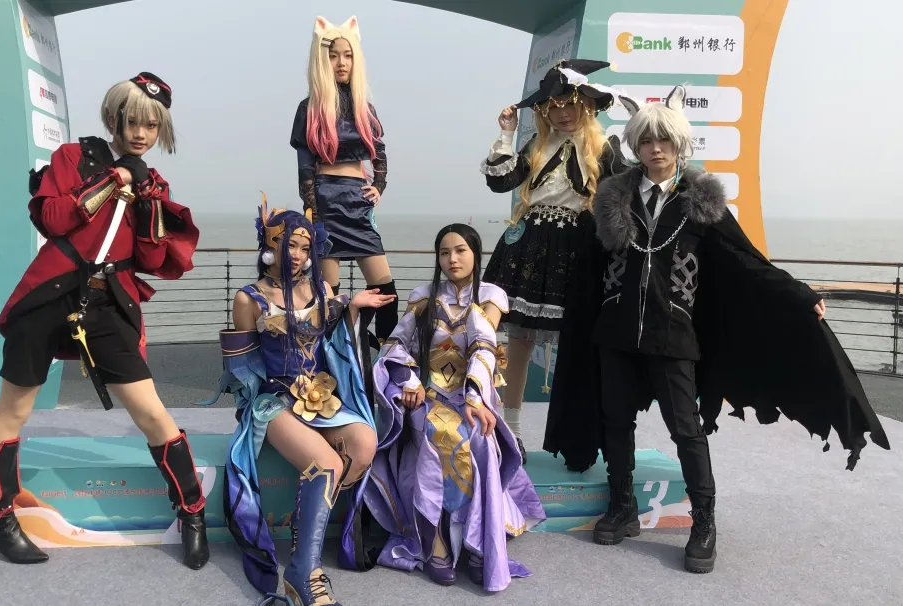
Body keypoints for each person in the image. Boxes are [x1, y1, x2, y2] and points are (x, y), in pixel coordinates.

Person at [543, 85, 891, 574]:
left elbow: (747, 261)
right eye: (647, 141)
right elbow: (587, 268)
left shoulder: (700, 202)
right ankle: (622, 506)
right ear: (636, 145)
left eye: (665, 140)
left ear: (679, 144)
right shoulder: (613, 198)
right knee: (615, 422)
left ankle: (703, 519)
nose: (656, 149)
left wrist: (799, 293)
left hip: (673, 333)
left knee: (686, 429)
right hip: (616, 332)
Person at [0, 72, 210, 570]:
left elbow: (154, 260)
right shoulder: (72, 157)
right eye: (133, 122)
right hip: (49, 295)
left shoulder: (153, 182)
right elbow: (52, 219)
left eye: (152, 125)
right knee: (15, 409)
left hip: (107, 302)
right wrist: (115, 181)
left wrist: (149, 203)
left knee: (151, 412)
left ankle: (192, 511)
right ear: (113, 119)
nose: (141, 134)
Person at [202, 197, 396, 605]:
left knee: (364, 444)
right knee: (326, 464)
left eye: (305, 248)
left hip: (321, 398)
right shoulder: (248, 299)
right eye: (289, 244)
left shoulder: (322, 290)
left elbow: (334, 340)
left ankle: (303, 526)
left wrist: (352, 308)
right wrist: (255, 404)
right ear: (268, 244)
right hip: (273, 403)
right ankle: (303, 572)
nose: (297, 254)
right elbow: (242, 368)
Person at [364, 224, 546, 592]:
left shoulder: (490, 296)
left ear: (476, 253)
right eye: (445, 253)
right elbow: (396, 345)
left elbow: (484, 345)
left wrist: (476, 397)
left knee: (479, 436)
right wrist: (409, 381)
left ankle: (479, 544)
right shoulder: (423, 296)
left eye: (461, 250)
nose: (453, 259)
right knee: (432, 434)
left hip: (472, 395)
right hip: (427, 395)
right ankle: (433, 542)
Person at [479, 59, 627, 458]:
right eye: (553, 106)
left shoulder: (604, 148)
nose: (562, 113)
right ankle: (510, 431)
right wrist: (506, 133)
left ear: (586, 104)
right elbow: (500, 181)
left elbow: (627, 193)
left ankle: (575, 433)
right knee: (519, 341)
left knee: (576, 344)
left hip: (576, 249)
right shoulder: (537, 145)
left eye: (569, 104)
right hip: (527, 247)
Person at [290, 15, 398, 348]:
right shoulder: (309, 108)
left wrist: (378, 187)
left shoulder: (365, 107)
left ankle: (383, 357)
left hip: (358, 201)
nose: (341, 62)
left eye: (348, 55)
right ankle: (338, 359)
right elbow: (305, 167)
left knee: (387, 291)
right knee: (329, 296)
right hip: (325, 200)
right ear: (321, 60)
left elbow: (379, 153)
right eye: (333, 55)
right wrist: (313, 210)